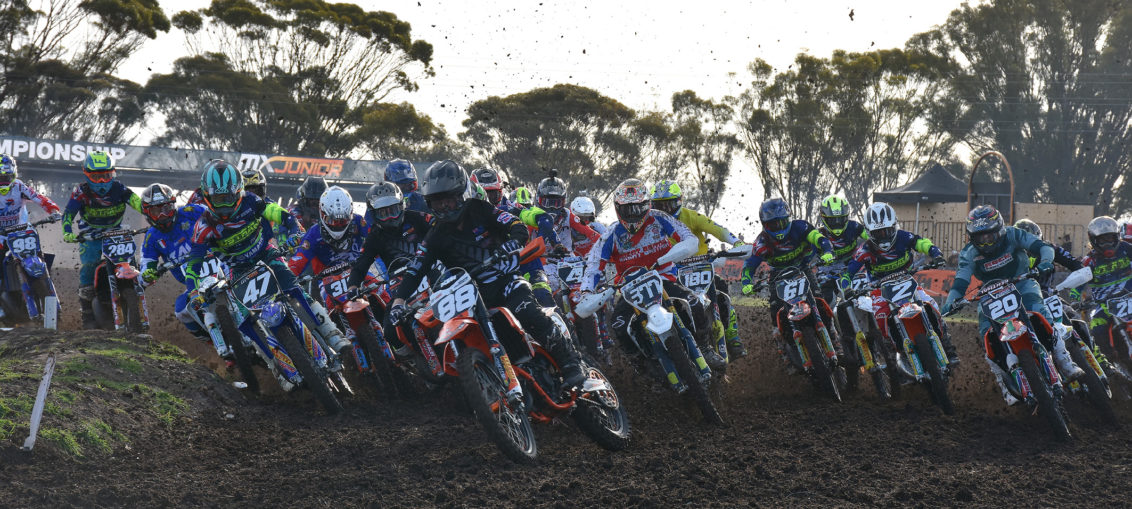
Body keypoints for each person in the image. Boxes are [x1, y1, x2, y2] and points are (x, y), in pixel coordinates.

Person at [387, 160, 586, 390]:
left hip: (506, 281)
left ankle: (572, 363)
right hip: (473, 295)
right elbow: (415, 270)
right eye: (437, 202)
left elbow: (515, 224)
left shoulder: (480, 209)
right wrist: (399, 302)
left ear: (461, 195)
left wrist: (513, 242)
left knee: (528, 311)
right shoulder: (434, 235)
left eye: (448, 199)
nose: (444, 206)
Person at [184, 159, 351, 353]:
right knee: (246, 319)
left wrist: (295, 230)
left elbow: (280, 214)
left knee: (297, 291)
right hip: (237, 271)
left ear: (238, 191)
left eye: (229, 197)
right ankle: (271, 362)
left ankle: (335, 337)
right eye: (219, 199)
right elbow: (193, 265)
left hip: (267, 256)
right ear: (206, 196)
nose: (225, 204)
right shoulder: (203, 227)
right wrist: (193, 292)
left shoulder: (251, 201)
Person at [580, 178, 723, 381]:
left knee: (694, 302)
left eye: (638, 208)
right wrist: (586, 292)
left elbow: (687, 236)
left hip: (663, 278)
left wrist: (680, 251)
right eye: (627, 209)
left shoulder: (659, 218)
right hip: (631, 289)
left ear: (647, 204)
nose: (633, 214)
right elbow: (594, 265)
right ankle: (643, 367)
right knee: (618, 325)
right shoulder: (611, 234)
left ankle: (705, 347)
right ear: (618, 209)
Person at [941, 205, 1083, 406]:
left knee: (1039, 311)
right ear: (972, 237)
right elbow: (961, 280)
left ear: (999, 229)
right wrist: (951, 301)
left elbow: (1042, 246)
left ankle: (1064, 360)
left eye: (990, 236)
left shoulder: (1014, 234)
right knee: (987, 334)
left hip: (1021, 281)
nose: (986, 242)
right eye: (981, 238)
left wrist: (1045, 262)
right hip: (990, 293)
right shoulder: (969, 253)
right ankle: (1004, 383)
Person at [842, 202, 958, 365]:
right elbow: (848, 273)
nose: (883, 236)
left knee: (932, 305)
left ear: (894, 226)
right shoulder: (865, 250)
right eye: (878, 233)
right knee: (881, 318)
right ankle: (893, 354)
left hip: (907, 281)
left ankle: (946, 345)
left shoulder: (903, 237)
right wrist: (846, 287)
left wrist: (935, 253)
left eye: (887, 231)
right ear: (869, 232)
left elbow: (921, 243)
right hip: (880, 288)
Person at [650, 179, 748, 358]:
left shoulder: (691, 216)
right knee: (672, 303)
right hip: (673, 271)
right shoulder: (652, 225)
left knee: (722, 291)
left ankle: (732, 337)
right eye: (659, 206)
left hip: (701, 266)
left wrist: (735, 242)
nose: (665, 210)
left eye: (669, 204)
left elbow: (717, 229)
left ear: (679, 201)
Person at [739, 198, 836, 373]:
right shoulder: (762, 242)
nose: (778, 227)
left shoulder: (801, 227)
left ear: (789, 218)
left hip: (803, 268)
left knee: (819, 300)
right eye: (773, 224)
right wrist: (746, 283)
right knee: (777, 314)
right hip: (778, 277)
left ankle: (834, 338)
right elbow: (749, 266)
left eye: (782, 222)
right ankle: (786, 356)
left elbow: (820, 239)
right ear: (765, 225)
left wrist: (827, 251)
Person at [137, 184, 226, 354]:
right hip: (195, 285)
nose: (163, 215)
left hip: (223, 267)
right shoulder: (151, 237)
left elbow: (219, 218)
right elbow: (146, 266)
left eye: (166, 208)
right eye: (156, 211)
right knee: (181, 311)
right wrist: (148, 274)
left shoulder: (192, 211)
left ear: (173, 205)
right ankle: (213, 342)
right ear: (148, 213)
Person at [61, 151, 145, 329]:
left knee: (131, 262)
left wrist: (151, 214)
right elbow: (68, 214)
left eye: (106, 176)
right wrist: (67, 232)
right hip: (91, 235)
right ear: (87, 175)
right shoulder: (81, 192)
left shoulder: (119, 189)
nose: (101, 181)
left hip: (116, 233)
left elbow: (138, 203)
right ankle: (87, 314)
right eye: (96, 177)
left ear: (113, 174)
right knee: (89, 266)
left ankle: (136, 298)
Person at [348, 182, 432, 356]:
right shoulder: (374, 236)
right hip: (400, 285)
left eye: (393, 210)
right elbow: (361, 264)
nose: (390, 217)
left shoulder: (417, 218)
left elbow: (441, 229)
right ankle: (415, 361)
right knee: (390, 332)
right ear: (374, 214)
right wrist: (353, 286)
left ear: (402, 206)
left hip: (431, 272)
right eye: (383, 213)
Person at [0, 155, 62, 320]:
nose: (3, 182)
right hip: (1, 237)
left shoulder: (19, 186)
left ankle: (49, 295)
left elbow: (39, 198)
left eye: (6, 178)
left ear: (13, 175)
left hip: (22, 232)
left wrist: (53, 210)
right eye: (0, 178)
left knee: (40, 256)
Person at [1078, 216, 1132, 359]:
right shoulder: (1089, 261)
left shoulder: (1126, 248)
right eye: (1102, 240)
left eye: (1110, 239)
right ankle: (1109, 361)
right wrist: (1074, 299)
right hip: (1104, 304)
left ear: (1117, 237)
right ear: (1094, 241)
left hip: (1130, 295)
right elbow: (1077, 283)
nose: (1107, 243)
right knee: (1097, 327)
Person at [815, 195, 868, 304]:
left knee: (869, 290)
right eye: (832, 221)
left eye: (840, 219)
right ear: (824, 218)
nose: (837, 223)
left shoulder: (854, 227)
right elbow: (806, 255)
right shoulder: (819, 234)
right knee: (825, 300)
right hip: (828, 273)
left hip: (852, 269)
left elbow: (872, 238)